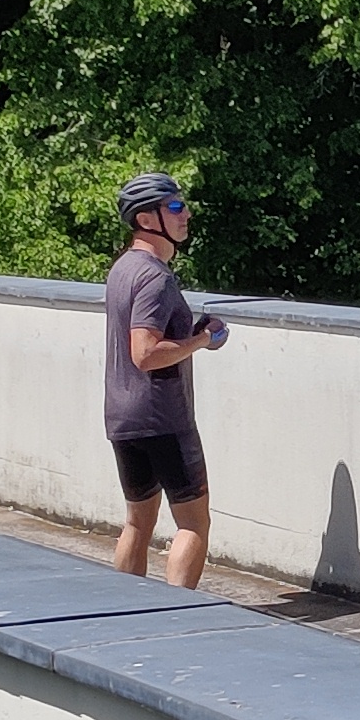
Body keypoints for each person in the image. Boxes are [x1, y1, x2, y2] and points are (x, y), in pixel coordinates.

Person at [105, 171, 228, 585]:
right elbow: (145, 353)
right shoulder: (156, 277)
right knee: (193, 523)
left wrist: (189, 333)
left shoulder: (123, 268)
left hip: (122, 416)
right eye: (174, 206)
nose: (185, 213)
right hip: (163, 417)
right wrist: (203, 339)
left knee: (137, 522)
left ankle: (124, 608)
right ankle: (177, 612)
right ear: (146, 219)